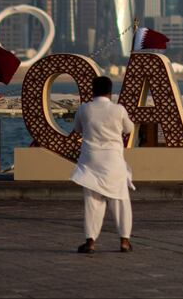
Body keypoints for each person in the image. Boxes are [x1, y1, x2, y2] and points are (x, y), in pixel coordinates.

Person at [70, 76, 136, 254]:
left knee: (92, 202)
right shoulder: (118, 109)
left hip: (91, 160)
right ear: (111, 92)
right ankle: (124, 241)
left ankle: (90, 241)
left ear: (92, 90)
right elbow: (129, 129)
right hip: (113, 160)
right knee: (120, 201)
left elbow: (77, 128)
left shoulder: (84, 109)